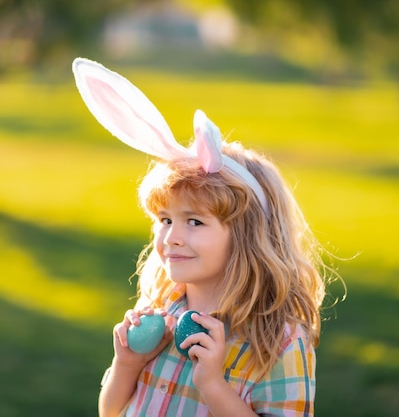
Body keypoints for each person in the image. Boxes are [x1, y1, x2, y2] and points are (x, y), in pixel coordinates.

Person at [72, 57, 332, 417]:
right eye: (164, 220)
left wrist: (212, 384)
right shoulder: (161, 312)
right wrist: (127, 364)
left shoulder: (277, 341)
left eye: (194, 222)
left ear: (247, 235)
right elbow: (110, 410)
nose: (172, 237)